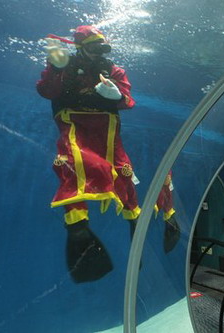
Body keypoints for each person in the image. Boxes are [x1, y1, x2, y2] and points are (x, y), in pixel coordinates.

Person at [36, 25, 179, 283]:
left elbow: (128, 101)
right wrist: (55, 68)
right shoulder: (64, 65)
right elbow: (47, 91)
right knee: (75, 167)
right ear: (80, 47)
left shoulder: (113, 70)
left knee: (123, 174)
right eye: (93, 48)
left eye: (102, 48)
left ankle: (139, 227)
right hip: (74, 125)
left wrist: (116, 95)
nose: (99, 54)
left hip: (109, 129)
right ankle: (78, 228)